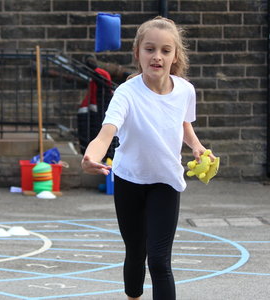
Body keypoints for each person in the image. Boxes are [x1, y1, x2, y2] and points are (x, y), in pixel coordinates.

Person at [81, 16, 215, 300]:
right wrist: (92, 156)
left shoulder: (185, 91)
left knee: (158, 260)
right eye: (150, 49)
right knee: (135, 252)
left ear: (175, 55)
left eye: (165, 50)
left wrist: (197, 146)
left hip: (165, 181)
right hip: (129, 180)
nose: (157, 56)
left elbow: (183, 125)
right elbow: (107, 133)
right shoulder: (126, 94)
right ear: (138, 53)